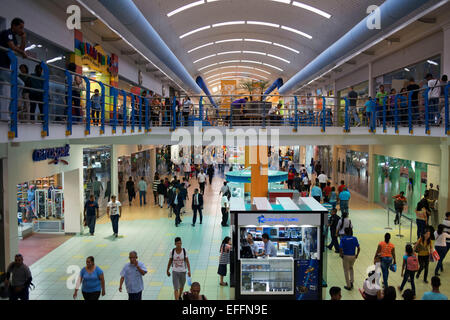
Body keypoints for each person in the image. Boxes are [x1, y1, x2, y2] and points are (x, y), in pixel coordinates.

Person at [0, 18, 27, 121]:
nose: (22, 30)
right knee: (20, 84)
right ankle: (11, 111)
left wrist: (24, 38)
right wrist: (22, 52)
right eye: (20, 28)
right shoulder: (7, 33)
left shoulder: (14, 37)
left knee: (3, 92)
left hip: (5, 67)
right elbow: (12, 47)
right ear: (13, 26)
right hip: (2, 67)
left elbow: (21, 49)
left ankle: (5, 114)